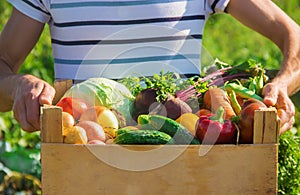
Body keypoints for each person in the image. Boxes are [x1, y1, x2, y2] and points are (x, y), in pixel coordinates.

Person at [0, 0, 299, 134]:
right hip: (87, 162)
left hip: (190, 166)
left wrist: (282, 84)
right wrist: (19, 85)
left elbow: (292, 36)